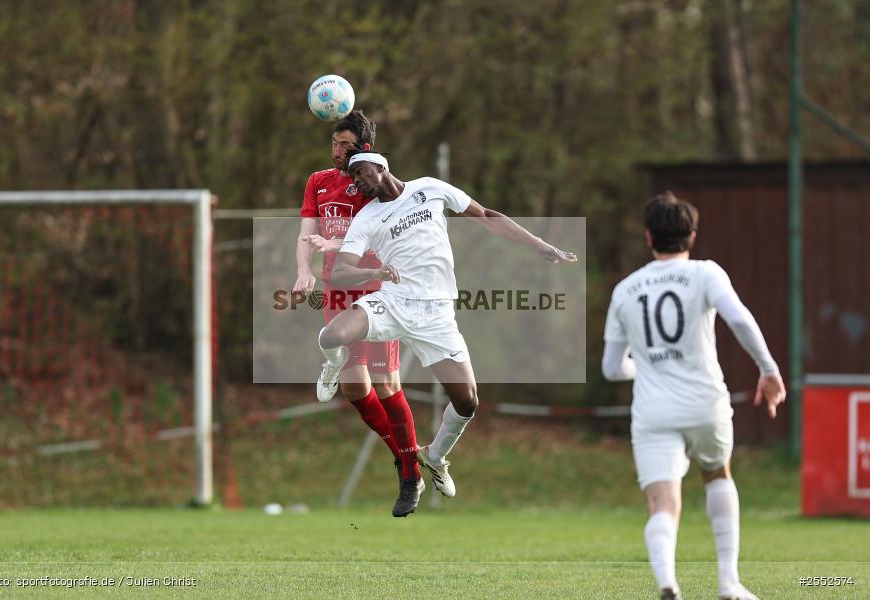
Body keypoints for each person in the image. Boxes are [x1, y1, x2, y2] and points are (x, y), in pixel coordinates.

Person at [315, 150, 576, 517]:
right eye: (352, 177)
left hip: (437, 315)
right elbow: (340, 272)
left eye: (360, 172)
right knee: (331, 335)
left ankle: (435, 458)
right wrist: (376, 275)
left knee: (468, 401)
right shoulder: (366, 217)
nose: (356, 181)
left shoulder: (430, 188)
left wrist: (539, 244)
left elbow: (486, 216)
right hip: (394, 303)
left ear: (381, 166)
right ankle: (332, 366)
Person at [601, 192, 786, 600]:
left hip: (653, 413)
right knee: (718, 475)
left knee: (662, 504)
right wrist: (768, 370)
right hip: (705, 404)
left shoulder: (625, 289)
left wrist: (643, 367)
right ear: (692, 236)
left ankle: (668, 583)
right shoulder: (705, 273)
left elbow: (612, 368)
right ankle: (728, 583)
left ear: (649, 237)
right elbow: (738, 318)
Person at [294, 111, 422, 518]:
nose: (336, 152)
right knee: (354, 390)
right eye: (333, 144)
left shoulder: (374, 185)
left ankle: (409, 471)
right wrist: (303, 271)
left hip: (377, 289)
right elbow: (306, 233)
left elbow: (394, 228)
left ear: (364, 149)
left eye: (345, 146)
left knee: (385, 384)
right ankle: (408, 459)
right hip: (337, 291)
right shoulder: (319, 182)